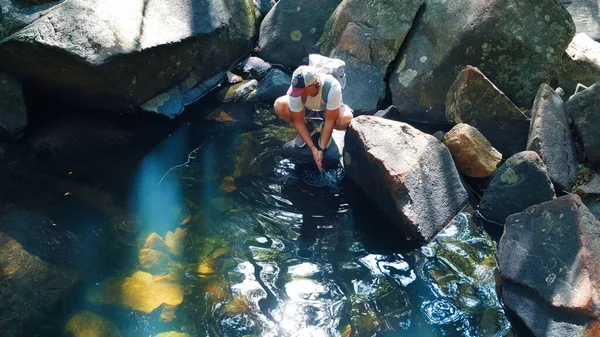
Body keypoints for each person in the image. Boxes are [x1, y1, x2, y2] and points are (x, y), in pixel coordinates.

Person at [274, 65, 353, 171]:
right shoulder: (297, 88)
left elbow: (330, 120)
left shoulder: (332, 87)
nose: (297, 94)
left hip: (327, 111)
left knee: (346, 119)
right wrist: (312, 147)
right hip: (306, 110)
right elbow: (298, 122)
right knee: (280, 105)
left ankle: (322, 135)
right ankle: (307, 131)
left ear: (315, 85)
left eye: (302, 91)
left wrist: (321, 149)